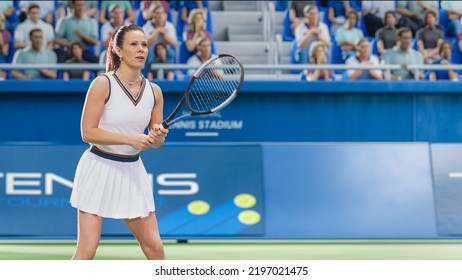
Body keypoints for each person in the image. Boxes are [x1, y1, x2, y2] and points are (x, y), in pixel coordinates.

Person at [69, 24, 168, 260]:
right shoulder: (102, 84)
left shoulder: (155, 91)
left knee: (155, 249)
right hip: (98, 168)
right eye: (133, 44)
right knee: (87, 251)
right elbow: (88, 132)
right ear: (119, 50)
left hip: (132, 171)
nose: (141, 49)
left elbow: (155, 142)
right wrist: (131, 139)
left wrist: (157, 138)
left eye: (144, 44)